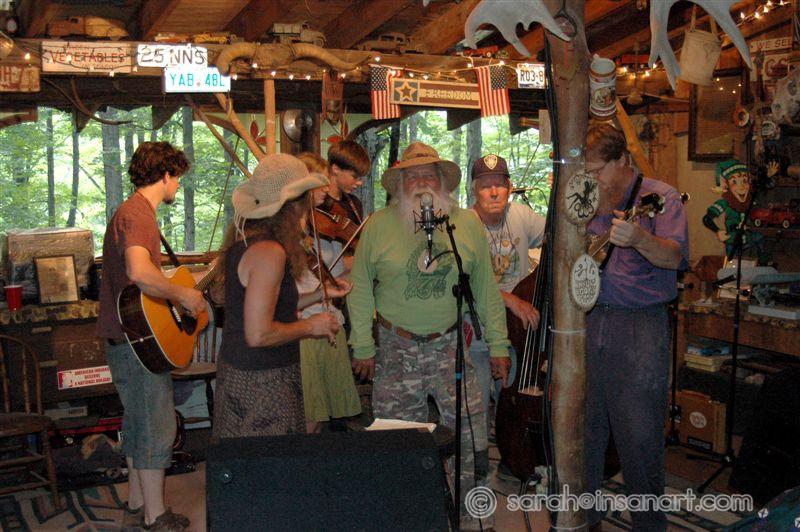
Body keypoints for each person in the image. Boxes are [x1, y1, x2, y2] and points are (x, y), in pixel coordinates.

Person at [347, 142, 511, 530]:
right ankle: (409, 519)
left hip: (451, 347)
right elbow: (360, 287)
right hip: (396, 348)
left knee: (470, 437)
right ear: (400, 184)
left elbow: (486, 291)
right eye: (412, 176)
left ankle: (472, 517)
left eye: (429, 175)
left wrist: (499, 344)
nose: (421, 182)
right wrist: (363, 344)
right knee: (398, 442)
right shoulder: (378, 225)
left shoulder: (464, 225)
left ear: (442, 182)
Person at [97, 141, 207, 532]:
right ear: (165, 175)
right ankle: (155, 517)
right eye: (177, 178)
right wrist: (183, 295)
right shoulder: (139, 214)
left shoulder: (129, 211)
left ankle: (137, 503)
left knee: (138, 423)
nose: (178, 185)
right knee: (156, 427)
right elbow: (140, 273)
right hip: (135, 345)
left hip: (124, 338)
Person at [584, 124, 688, 531]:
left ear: (622, 160)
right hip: (590, 322)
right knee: (586, 434)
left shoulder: (661, 197)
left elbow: (675, 258)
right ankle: (586, 520)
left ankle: (648, 525)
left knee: (640, 440)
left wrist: (639, 239)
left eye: (597, 171)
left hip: (640, 328)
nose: (592, 180)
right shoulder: (590, 201)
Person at [212, 153, 340, 440]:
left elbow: (270, 308)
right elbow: (259, 333)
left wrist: (319, 295)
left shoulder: (250, 241)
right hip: (260, 382)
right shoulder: (269, 252)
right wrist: (311, 326)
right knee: (268, 462)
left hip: (249, 373)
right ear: (295, 204)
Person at [468, 154, 545, 468]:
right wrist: (510, 299)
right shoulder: (465, 223)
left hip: (517, 330)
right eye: (485, 185)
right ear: (474, 190)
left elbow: (557, 238)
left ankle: (513, 456)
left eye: (499, 184)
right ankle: (476, 463)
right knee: (475, 401)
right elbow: (466, 281)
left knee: (512, 395)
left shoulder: (521, 215)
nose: (493, 192)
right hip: (477, 327)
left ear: (510, 187)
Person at [295, 152, 361, 434]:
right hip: (306, 324)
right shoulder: (290, 231)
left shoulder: (314, 226)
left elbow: (326, 274)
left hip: (327, 317)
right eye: (319, 183)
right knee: (310, 413)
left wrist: (336, 287)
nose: (326, 188)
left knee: (323, 416)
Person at [320, 139, 371, 225]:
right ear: (335, 169)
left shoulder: (355, 203)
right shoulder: (317, 201)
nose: (360, 183)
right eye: (355, 177)